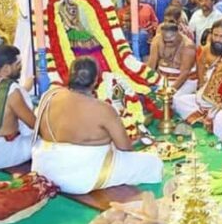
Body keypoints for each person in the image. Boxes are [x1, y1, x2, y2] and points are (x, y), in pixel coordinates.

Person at [31, 57, 162, 194]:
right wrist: (137, 141)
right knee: (154, 164)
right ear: (96, 81)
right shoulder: (103, 109)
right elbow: (125, 148)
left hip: (43, 171)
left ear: (69, 76)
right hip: (79, 179)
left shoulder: (49, 95)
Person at [173, 20, 222, 125]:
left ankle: (207, 117)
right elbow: (201, 63)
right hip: (203, 95)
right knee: (178, 101)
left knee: (221, 116)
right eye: (215, 35)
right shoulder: (207, 49)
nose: (218, 39)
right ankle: (204, 116)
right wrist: (201, 83)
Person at [146, 20, 197, 91]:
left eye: (171, 41)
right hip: (163, 78)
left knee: (170, 97)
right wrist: (146, 81)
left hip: (186, 81)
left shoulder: (188, 46)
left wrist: (170, 91)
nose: (167, 44)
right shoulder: (157, 40)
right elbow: (151, 63)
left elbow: (185, 73)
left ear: (178, 34)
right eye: (165, 41)